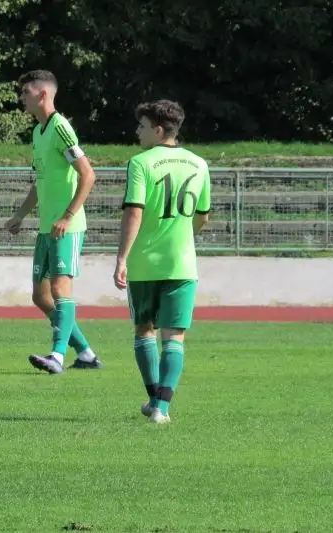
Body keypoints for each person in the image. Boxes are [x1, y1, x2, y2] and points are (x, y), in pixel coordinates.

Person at [113, 99, 211, 424]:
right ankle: (162, 409)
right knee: (174, 336)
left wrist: (122, 258)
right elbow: (202, 217)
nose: (136, 132)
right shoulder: (199, 164)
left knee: (144, 330)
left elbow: (134, 211)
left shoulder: (140, 163)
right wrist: (182, 236)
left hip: (144, 263)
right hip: (182, 263)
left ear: (157, 130)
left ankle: (154, 397)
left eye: (141, 126)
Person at [5, 69, 102, 374]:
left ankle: (57, 356)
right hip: (48, 227)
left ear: (43, 94)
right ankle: (85, 352)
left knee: (61, 289)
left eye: (26, 93)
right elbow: (41, 181)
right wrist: (20, 214)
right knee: (40, 295)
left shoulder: (61, 128)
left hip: (66, 227)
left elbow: (88, 174)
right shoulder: (38, 132)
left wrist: (67, 216)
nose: (22, 98)